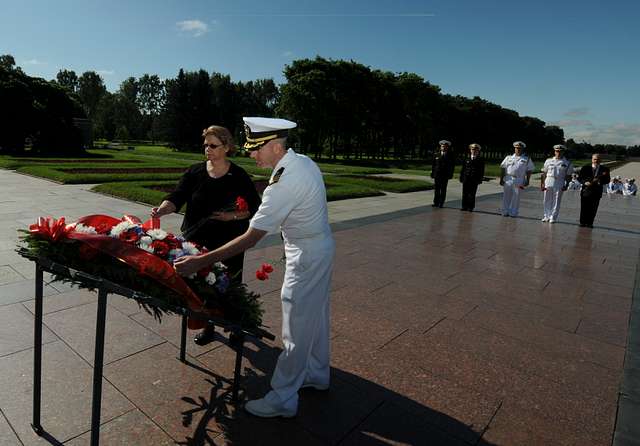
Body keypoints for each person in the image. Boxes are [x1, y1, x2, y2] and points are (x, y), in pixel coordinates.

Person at [175, 117, 335, 419]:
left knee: (296, 324)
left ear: (275, 146)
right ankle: (316, 373)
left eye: (256, 149)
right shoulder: (300, 162)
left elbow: (250, 237)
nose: (251, 155)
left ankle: (283, 398)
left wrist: (201, 261)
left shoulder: (284, 181)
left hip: (307, 253)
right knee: (316, 314)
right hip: (317, 245)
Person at [151, 125, 260, 345]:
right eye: (205, 145)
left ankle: (236, 325)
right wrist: (163, 208)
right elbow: (177, 196)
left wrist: (232, 217)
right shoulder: (195, 172)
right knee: (202, 284)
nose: (207, 150)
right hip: (197, 240)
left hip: (229, 242)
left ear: (227, 147)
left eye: (213, 145)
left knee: (230, 284)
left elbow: (255, 207)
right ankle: (207, 325)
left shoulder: (238, 175)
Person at [499, 141, 535, 217]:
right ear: (514, 148)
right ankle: (505, 211)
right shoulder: (508, 157)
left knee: (516, 197)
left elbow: (529, 170)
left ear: (522, 149)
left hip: (519, 179)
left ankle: (513, 212)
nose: (518, 149)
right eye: (516, 148)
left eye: (520, 148)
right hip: (508, 178)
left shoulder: (526, 159)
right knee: (506, 196)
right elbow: (503, 168)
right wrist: (501, 179)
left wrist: (527, 180)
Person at [540, 144, 573, 223]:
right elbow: (544, 173)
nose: (558, 153)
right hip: (549, 180)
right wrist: (542, 183)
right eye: (557, 151)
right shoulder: (548, 161)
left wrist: (567, 184)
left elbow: (568, 175)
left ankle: (553, 217)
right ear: (554, 152)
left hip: (559, 181)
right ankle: (546, 215)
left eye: (560, 151)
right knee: (546, 199)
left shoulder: (567, 163)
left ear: (563, 152)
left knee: (557, 200)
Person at [577, 153, 610, 228]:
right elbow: (580, 178)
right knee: (584, 207)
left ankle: (590, 223)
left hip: (597, 191)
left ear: (600, 160)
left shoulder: (605, 169)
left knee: (594, 208)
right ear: (592, 159)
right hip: (586, 190)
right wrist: (585, 182)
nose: (596, 161)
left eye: (598, 159)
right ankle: (582, 222)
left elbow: (607, 180)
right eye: (595, 159)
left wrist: (600, 182)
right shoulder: (585, 168)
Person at [459, 143, 485, 211]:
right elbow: (463, 169)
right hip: (466, 178)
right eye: (472, 149)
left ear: (478, 151)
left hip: (474, 179)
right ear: (470, 150)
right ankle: (464, 206)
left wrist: (480, 179)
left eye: (476, 150)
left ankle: (471, 207)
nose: (474, 151)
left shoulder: (480, 160)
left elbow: (481, 171)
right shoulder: (466, 158)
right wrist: (461, 177)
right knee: (465, 193)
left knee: (472, 193)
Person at [430, 140, 456, 208]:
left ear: (447, 147)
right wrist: (432, 173)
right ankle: (436, 202)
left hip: (445, 175)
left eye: (445, 146)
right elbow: (433, 165)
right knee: (437, 189)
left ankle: (441, 203)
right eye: (442, 146)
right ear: (440, 147)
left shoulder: (450, 155)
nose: (443, 147)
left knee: (443, 189)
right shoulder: (436, 154)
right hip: (437, 174)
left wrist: (451, 174)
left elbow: (452, 166)